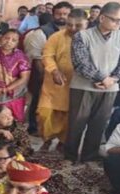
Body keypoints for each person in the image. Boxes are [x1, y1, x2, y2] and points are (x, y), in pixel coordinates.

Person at [65, 2, 120, 163]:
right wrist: (101, 78)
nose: (119, 23)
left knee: (99, 124)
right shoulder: (82, 36)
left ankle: (89, 156)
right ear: (102, 17)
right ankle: (70, 156)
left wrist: (113, 79)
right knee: (76, 124)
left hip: (110, 88)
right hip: (82, 87)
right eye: (115, 20)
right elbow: (81, 63)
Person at [37, 8, 88, 150]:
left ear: (86, 24)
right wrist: (53, 70)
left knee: (68, 116)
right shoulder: (56, 36)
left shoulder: (90, 39)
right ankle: (46, 139)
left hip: (77, 84)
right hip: (54, 84)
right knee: (44, 114)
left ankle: (62, 141)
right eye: (69, 24)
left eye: (78, 26)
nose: (72, 28)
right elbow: (47, 55)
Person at [25, 3, 73, 134]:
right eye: (59, 14)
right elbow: (38, 59)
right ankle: (35, 128)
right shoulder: (41, 32)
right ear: (53, 14)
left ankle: (60, 132)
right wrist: (46, 75)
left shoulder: (77, 32)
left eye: (65, 14)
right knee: (41, 105)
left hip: (68, 77)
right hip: (45, 74)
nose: (62, 17)